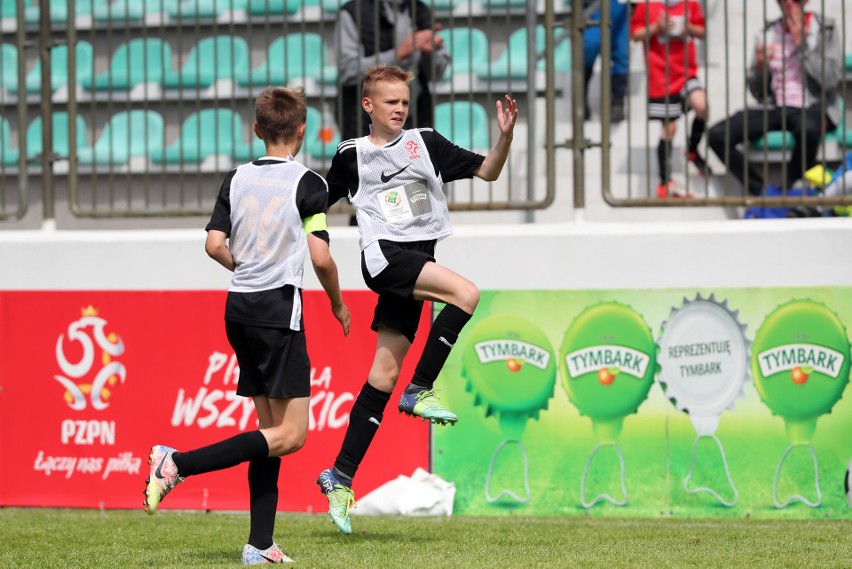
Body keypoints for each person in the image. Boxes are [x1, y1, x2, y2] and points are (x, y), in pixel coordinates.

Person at [142, 86, 351, 565]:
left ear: (256, 130)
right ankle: (176, 463)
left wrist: (249, 268)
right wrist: (338, 304)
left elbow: (215, 245)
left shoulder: (236, 178)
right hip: (279, 310)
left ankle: (260, 545)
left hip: (239, 308)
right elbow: (320, 256)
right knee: (291, 436)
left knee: (268, 431)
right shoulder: (309, 184)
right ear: (301, 131)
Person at [315, 64, 517, 535]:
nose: (400, 109)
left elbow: (487, 171)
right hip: (385, 260)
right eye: (390, 102)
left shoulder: (426, 142)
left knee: (382, 375)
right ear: (368, 106)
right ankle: (420, 388)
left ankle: (340, 476)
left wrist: (504, 137)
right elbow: (318, 202)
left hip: (414, 266)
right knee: (466, 293)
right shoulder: (353, 154)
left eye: (404, 101)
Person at [708, 0, 842, 196]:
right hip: (775, 106)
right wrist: (761, 69)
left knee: (808, 128)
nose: (788, 3)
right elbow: (757, 92)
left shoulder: (824, 28)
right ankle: (761, 191)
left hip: (812, 105)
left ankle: (791, 188)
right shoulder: (769, 32)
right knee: (717, 134)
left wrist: (801, 46)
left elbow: (830, 79)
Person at [333, 0, 450, 141]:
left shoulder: (421, 11)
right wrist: (398, 54)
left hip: (415, 121)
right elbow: (347, 70)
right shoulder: (353, 12)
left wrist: (429, 54)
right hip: (364, 124)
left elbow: (437, 73)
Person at [630, 0, 712, 198]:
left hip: (686, 72)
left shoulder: (690, 3)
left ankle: (692, 150)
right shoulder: (646, 5)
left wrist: (687, 27)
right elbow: (635, 34)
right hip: (661, 77)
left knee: (702, 106)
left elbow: (702, 31)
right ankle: (664, 183)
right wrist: (657, 27)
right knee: (669, 128)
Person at [582, 0, 629, 122]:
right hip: (592, 8)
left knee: (621, 54)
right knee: (587, 51)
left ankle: (617, 103)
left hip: (620, 9)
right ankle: (581, 104)